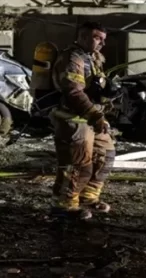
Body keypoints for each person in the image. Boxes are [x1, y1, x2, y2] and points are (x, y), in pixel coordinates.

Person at [49, 21, 115, 220]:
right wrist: (95, 115)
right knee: (78, 165)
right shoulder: (72, 58)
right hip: (73, 119)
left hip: (92, 119)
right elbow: (73, 92)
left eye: (104, 39)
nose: (102, 43)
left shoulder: (93, 58)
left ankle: (88, 197)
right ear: (83, 37)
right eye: (97, 38)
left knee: (105, 155)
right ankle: (64, 206)